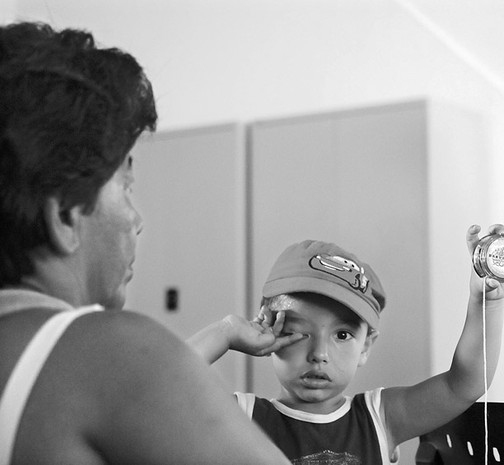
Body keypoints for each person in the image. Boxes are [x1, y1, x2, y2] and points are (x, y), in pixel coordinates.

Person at [0, 22, 292, 464]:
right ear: (65, 215)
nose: (137, 221)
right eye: (127, 187)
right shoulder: (106, 352)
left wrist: (226, 331)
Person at [188, 223, 504, 463]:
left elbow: (465, 384)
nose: (319, 355)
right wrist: (227, 331)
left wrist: (486, 303)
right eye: (300, 332)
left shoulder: (379, 416)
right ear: (266, 326)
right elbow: (154, 387)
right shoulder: (242, 419)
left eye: (342, 335)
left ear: (366, 346)